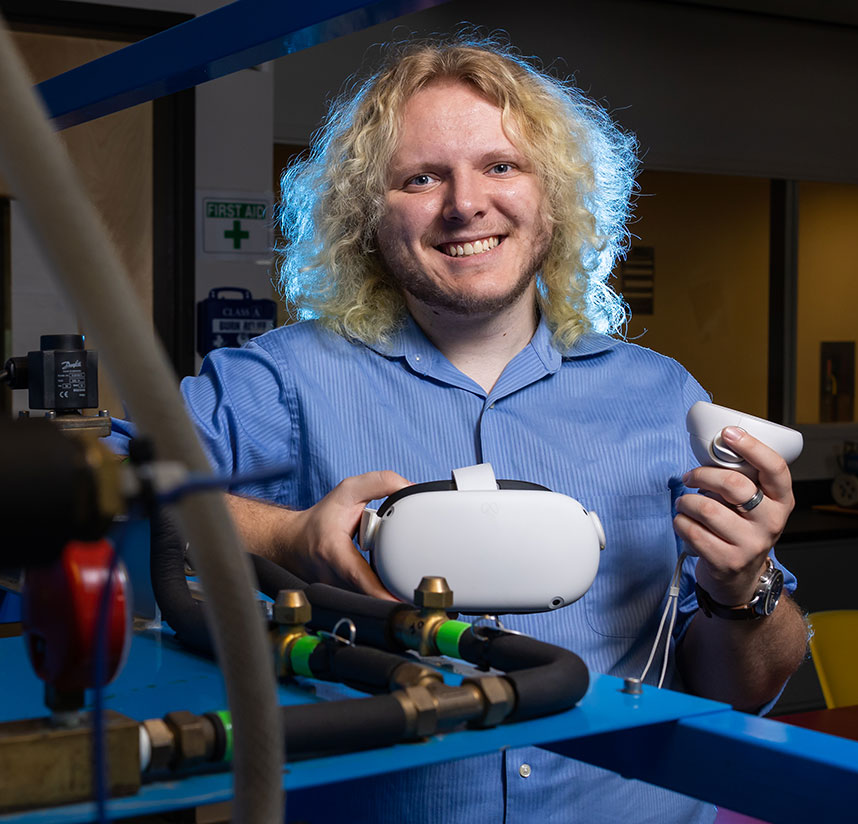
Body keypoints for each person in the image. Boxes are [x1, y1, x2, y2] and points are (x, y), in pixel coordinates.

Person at [175, 36, 808, 823]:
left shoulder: (661, 396)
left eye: (501, 166)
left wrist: (742, 588)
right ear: (367, 214)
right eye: (422, 176)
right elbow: (92, 497)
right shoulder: (284, 379)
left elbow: (742, 691)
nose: (464, 203)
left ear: (556, 195)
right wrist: (289, 534)